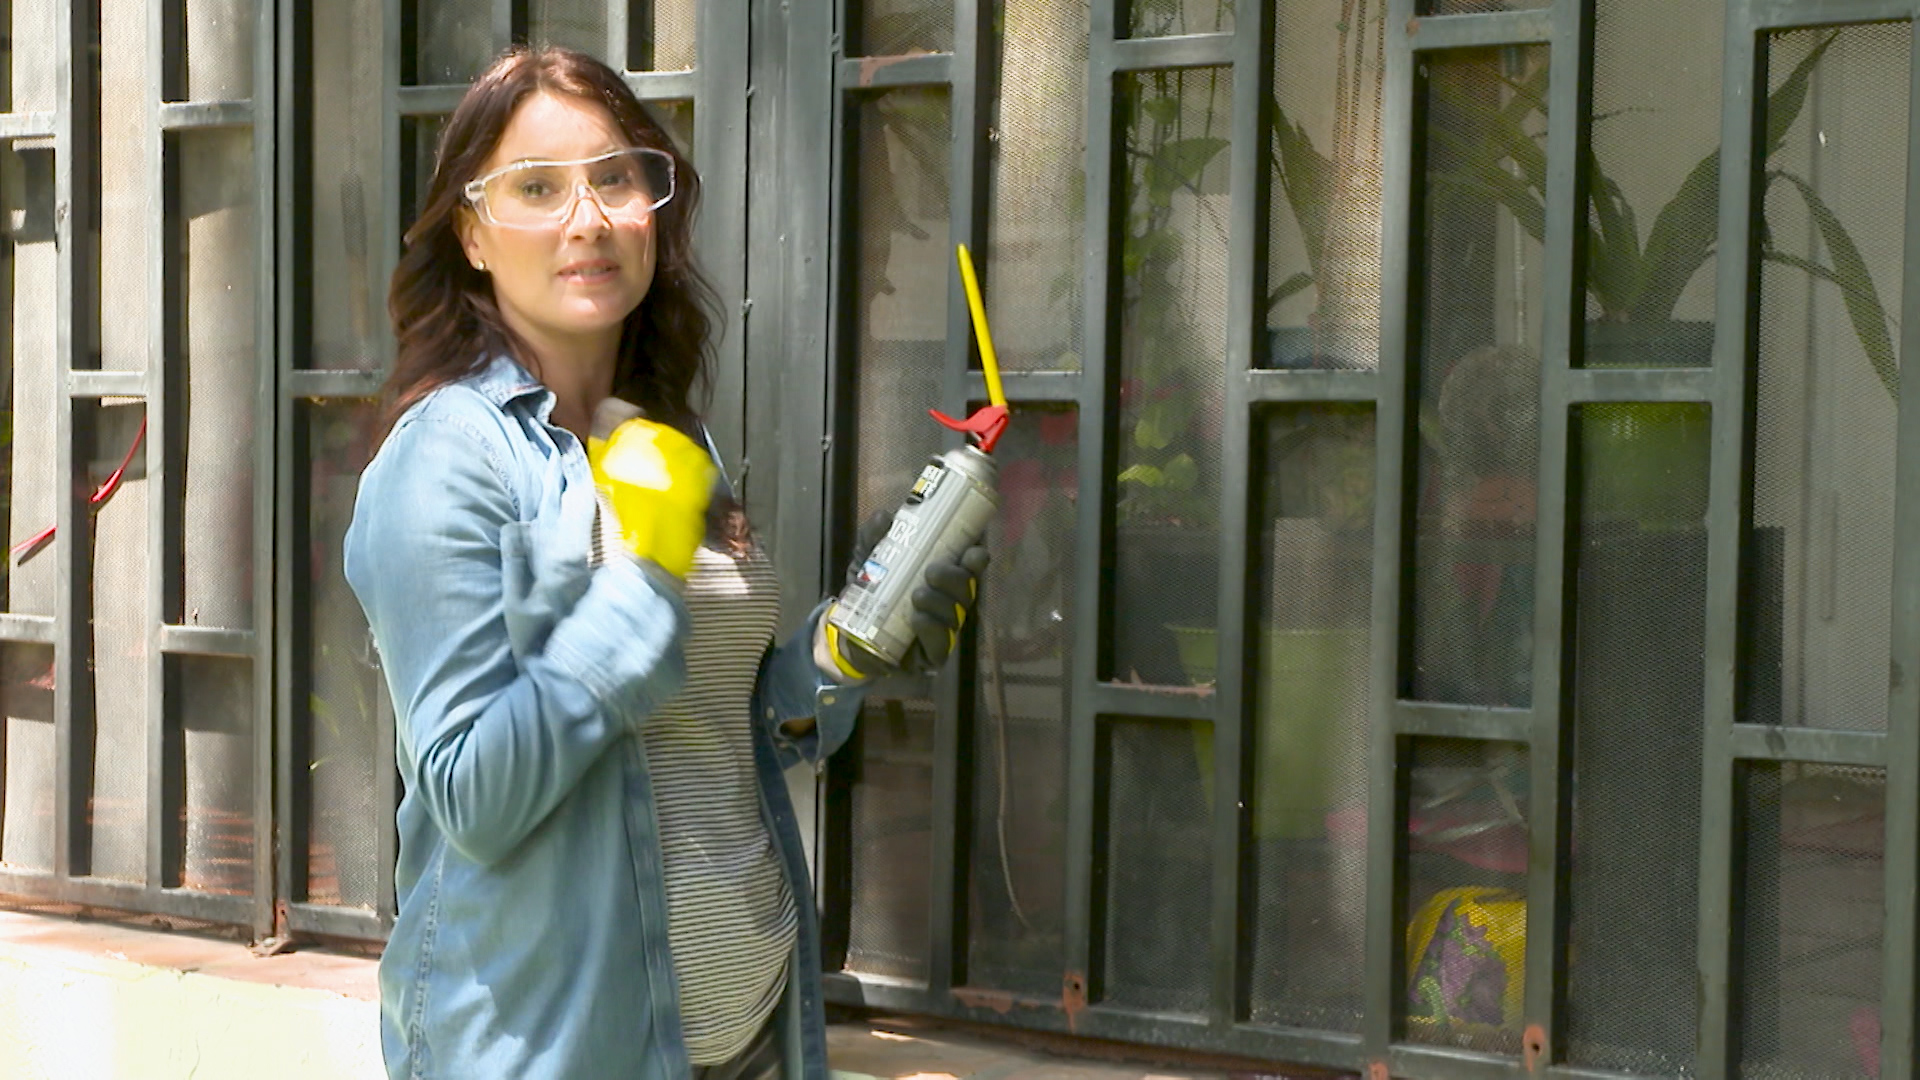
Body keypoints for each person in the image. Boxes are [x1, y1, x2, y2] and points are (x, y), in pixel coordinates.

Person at [343, 45, 988, 1080]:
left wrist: (843, 650)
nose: (588, 218)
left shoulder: (665, 436)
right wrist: (641, 577)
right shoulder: (448, 457)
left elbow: (711, 731)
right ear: (471, 233)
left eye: (616, 178)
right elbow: (474, 795)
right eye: (537, 187)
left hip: (753, 1035)